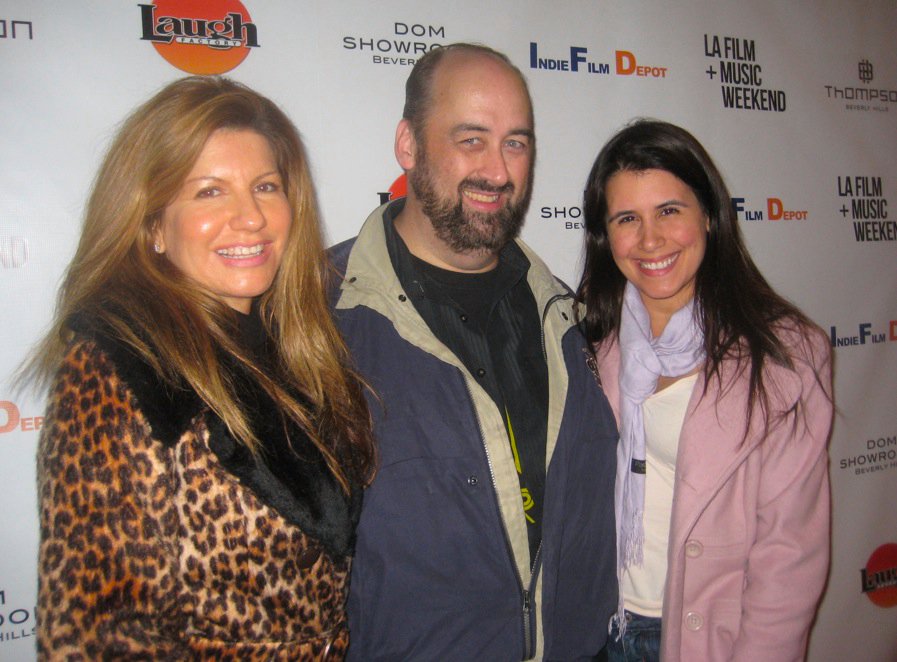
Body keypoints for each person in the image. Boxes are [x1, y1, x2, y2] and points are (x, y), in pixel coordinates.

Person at [27, 76, 375, 659]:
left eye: (266, 186)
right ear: (154, 224)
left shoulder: (299, 348)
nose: (251, 218)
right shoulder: (123, 361)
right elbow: (99, 634)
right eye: (210, 192)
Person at [329, 43, 618, 660]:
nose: (498, 170)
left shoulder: (569, 318)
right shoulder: (318, 317)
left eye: (516, 142)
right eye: (471, 139)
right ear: (408, 146)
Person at [576, 119, 833, 662]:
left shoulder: (786, 357)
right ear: (606, 236)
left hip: (700, 638)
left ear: (710, 217)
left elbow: (789, 559)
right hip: (595, 627)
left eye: (669, 211)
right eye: (627, 219)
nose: (650, 240)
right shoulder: (591, 340)